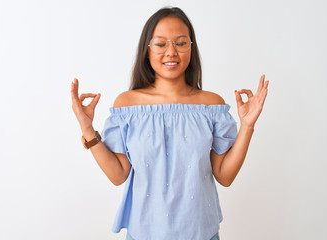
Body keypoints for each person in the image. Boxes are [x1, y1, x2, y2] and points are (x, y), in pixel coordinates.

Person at [70, 7, 268, 240]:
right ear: (147, 49)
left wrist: (247, 126)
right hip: (144, 233)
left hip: (200, 233)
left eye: (181, 43)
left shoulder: (211, 105)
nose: (171, 52)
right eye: (161, 44)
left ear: (191, 49)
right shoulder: (127, 105)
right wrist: (86, 127)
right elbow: (118, 175)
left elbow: (225, 176)